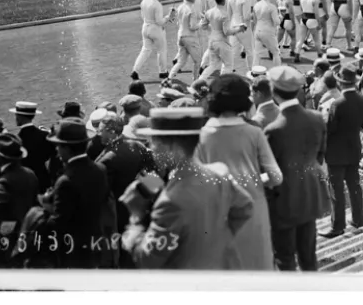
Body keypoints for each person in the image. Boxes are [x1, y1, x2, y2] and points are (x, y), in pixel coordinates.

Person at [122, 107, 255, 269]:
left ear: (171, 148)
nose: (151, 150)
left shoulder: (170, 203)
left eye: (154, 143)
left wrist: (135, 217)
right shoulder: (219, 172)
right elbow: (245, 208)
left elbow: (146, 260)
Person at [195, 74, 283, 271]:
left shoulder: (202, 136)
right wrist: (252, 180)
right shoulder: (254, 133)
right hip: (254, 210)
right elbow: (276, 176)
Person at [264, 67, 328, 271]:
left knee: (284, 258)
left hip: (283, 200)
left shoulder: (274, 130)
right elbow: (319, 155)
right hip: (310, 194)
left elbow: (270, 173)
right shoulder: (316, 118)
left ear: (273, 90)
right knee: (308, 255)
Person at [35, 118, 111, 269]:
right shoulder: (100, 169)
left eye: (58, 146)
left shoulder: (65, 180)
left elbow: (59, 223)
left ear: (66, 148)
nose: (56, 150)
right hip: (95, 241)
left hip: (73, 250)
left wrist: (44, 209)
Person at [321, 62, 363, 238]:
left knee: (336, 189)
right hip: (354, 147)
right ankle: (358, 219)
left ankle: (337, 226)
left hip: (336, 151)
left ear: (341, 83)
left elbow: (330, 129)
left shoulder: (337, 104)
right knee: (354, 185)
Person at [0, 133, 40, 268]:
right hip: (26, 232)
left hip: (5, 237)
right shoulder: (30, 174)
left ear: (0, 158)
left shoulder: (4, 181)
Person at [132, 0, 175, 82]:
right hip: (156, 30)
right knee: (161, 50)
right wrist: (168, 16)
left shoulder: (144, 1)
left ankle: (135, 70)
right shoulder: (157, 5)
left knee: (145, 50)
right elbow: (159, 22)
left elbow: (143, 16)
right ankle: (163, 72)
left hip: (145, 27)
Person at [9, 101, 53, 190]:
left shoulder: (16, 140)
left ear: (20, 117)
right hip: (43, 180)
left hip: (24, 184)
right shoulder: (44, 135)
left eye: (16, 115)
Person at [168, 0, 204, 78]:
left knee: (181, 61)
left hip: (180, 36)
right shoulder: (192, 9)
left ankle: (169, 78)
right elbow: (192, 27)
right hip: (190, 38)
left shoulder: (180, 7)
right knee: (197, 61)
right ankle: (196, 80)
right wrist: (201, 23)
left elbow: (178, 22)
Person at [225, 0, 255, 74]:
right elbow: (246, 16)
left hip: (233, 26)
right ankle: (251, 70)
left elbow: (229, 15)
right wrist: (253, 15)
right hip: (243, 27)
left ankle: (228, 70)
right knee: (249, 50)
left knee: (233, 50)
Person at [253, 0, 283, 66]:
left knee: (257, 53)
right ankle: (278, 72)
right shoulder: (271, 7)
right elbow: (277, 22)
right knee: (276, 52)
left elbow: (254, 20)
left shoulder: (256, 5)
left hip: (258, 30)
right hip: (268, 31)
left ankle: (255, 72)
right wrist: (281, 17)